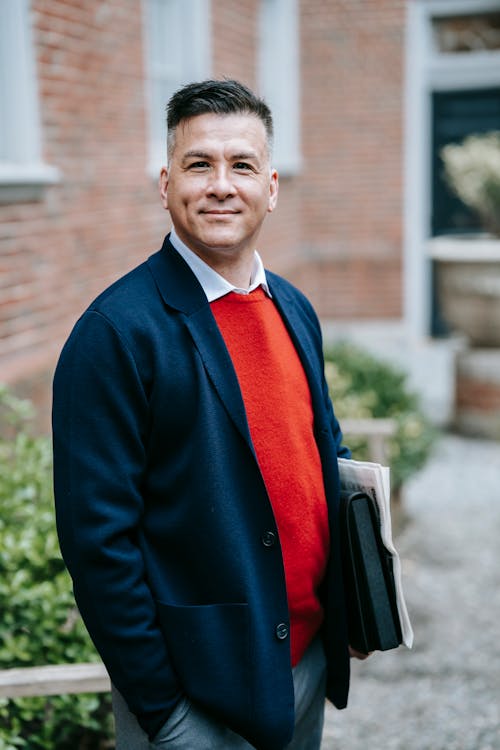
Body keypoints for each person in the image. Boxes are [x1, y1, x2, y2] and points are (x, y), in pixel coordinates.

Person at [53, 79, 365, 750]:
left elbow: (324, 459)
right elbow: (96, 541)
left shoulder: (294, 307)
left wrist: (351, 609)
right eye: (200, 164)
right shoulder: (115, 332)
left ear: (272, 187)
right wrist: (163, 709)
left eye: (242, 165)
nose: (222, 185)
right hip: (196, 693)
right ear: (166, 183)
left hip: (303, 663)